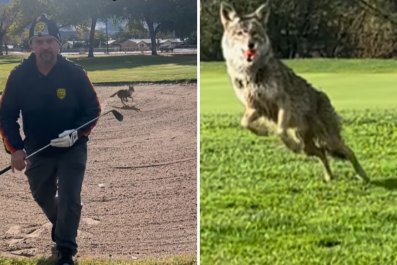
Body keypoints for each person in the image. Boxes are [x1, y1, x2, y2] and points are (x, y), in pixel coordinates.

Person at [0, 14, 101, 265]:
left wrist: (76, 132)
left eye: (49, 41)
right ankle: (64, 225)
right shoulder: (19, 76)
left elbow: (93, 110)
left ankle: (65, 250)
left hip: (72, 148)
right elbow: (5, 116)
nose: (44, 46)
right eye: (39, 41)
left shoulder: (75, 74)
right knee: (42, 194)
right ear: (32, 45)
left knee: (70, 196)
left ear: (58, 44)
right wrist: (16, 149)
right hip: (37, 148)